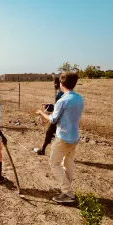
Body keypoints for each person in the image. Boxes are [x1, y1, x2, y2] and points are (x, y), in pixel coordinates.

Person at [36, 72, 84, 203]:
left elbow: (53, 119)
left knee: (54, 162)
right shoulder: (79, 98)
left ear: (61, 84)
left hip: (63, 137)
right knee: (68, 164)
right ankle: (66, 189)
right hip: (74, 137)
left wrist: (41, 113)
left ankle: (68, 193)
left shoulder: (62, 100)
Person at [35, 77, 64, 155]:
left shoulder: (61, 94)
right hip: (62, 118)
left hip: (59, 118)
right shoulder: (66, 94)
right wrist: (49, 105)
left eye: (56, 83)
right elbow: (58, 106)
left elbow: (59, 108)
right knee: (52, 133)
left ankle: (43, 149)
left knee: (50, 133)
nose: (55, 85)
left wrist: (43, 111)